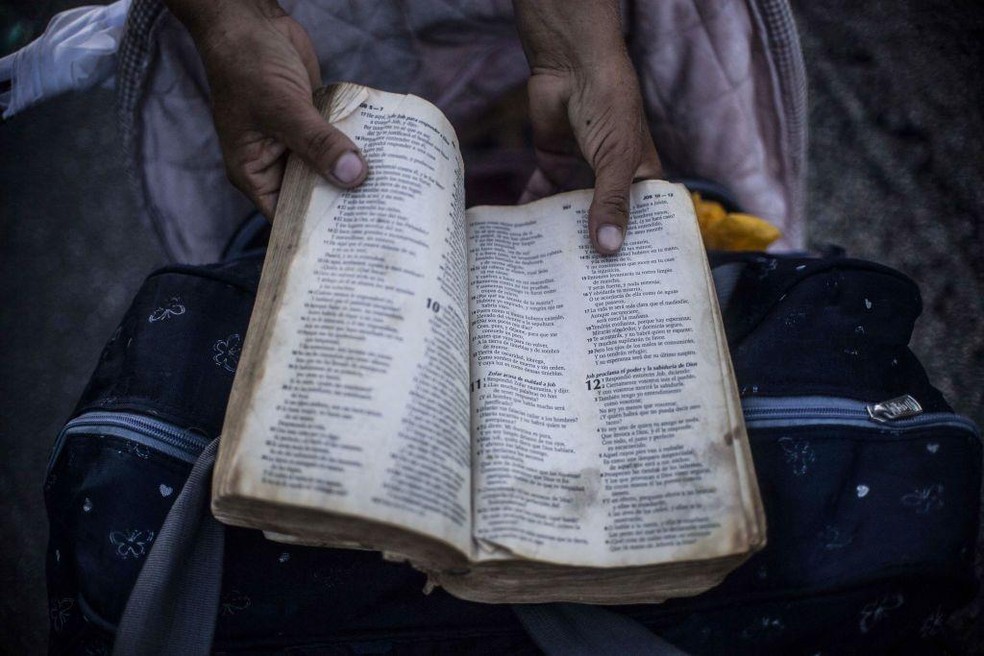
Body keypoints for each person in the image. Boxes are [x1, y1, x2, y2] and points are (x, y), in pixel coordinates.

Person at [161, 0, 663, 255]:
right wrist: (229, 21)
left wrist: (574, 43)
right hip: (292, 27)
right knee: (291, 144)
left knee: (592, 151)